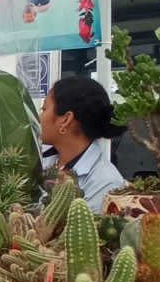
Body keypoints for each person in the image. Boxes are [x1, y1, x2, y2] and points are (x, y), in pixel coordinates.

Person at [40, 76, 126, 213]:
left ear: (66, 119)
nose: (40, 117)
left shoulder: (105, 182)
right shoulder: (41, 160)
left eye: (44, 109)